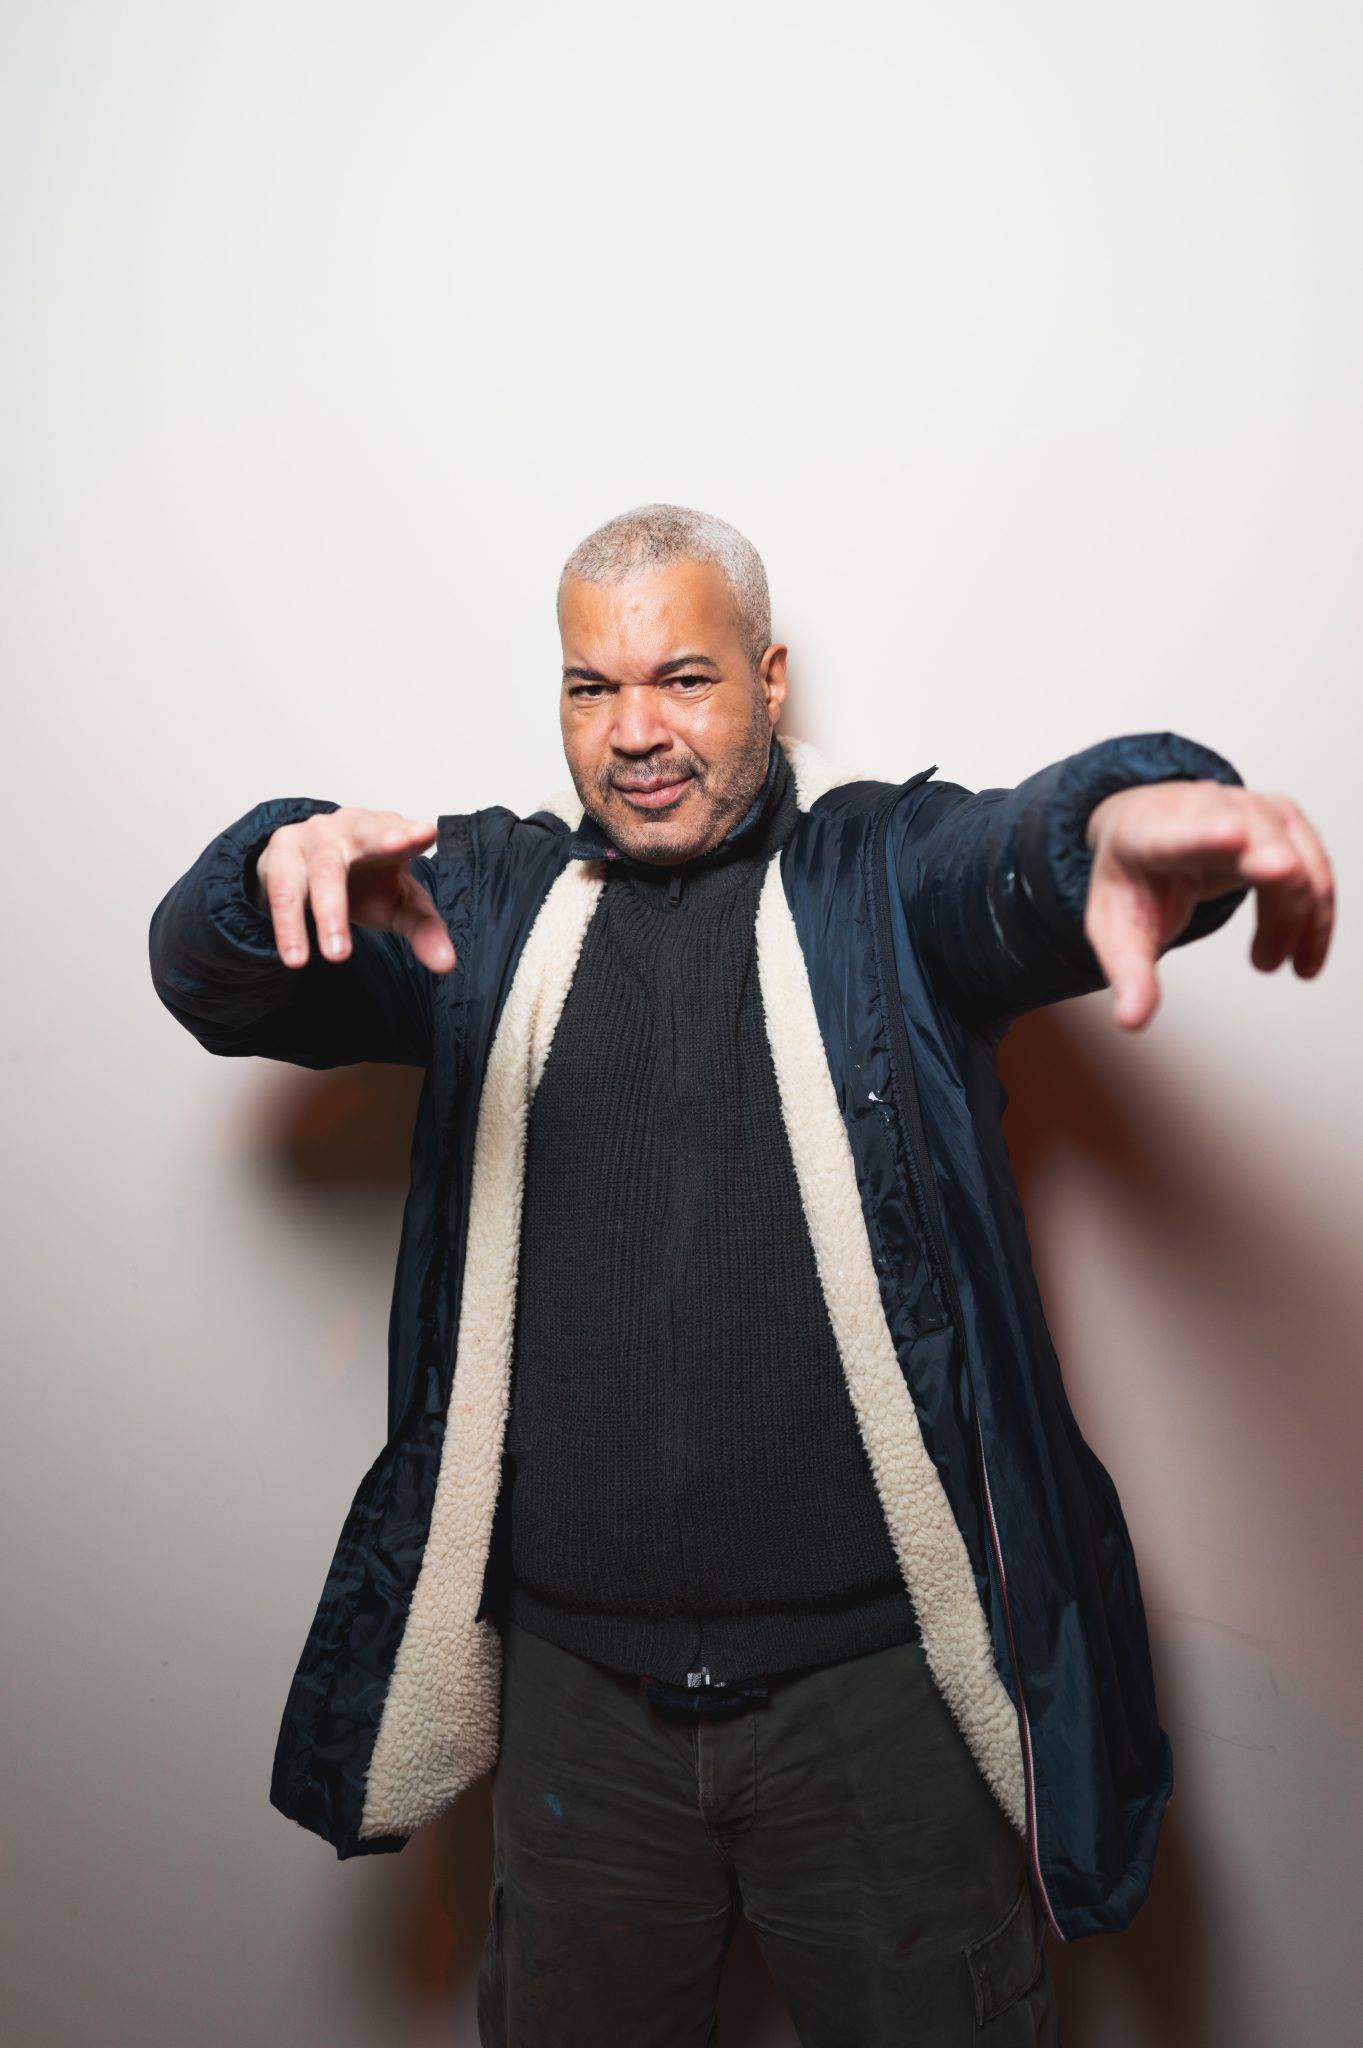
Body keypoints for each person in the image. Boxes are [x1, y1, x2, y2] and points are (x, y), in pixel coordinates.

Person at [148, 504, 1334, 2046]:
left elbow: (1011, 867)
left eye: (684, 679)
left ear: (771, 682)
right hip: (582, 1719)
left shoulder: (880, 879)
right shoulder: (486, 909)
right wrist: (260, 872)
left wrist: (1108, 825)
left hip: (875, 1709)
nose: (634, 733)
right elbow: (213, 975)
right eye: (592, 687)